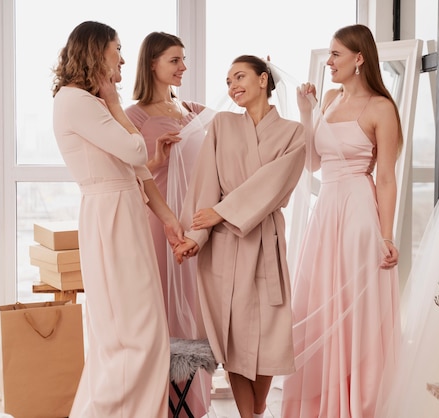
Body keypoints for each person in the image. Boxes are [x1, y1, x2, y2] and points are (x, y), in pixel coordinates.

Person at [52, 21, 183, 417]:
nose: (123, 58)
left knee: (142, 331)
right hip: (110, 217)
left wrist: (168, 218)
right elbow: (135, 152)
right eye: (117, 49)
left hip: (124, 213)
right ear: (95, 52)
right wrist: (112, 103)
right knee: (130, 335)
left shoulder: (89, 102)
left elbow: (138, 173)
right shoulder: (76, 101)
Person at [173, 55, 306, 418]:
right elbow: (205, 185)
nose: (232, 86)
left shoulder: (294, 133)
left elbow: (275, 185)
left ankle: (258, 408)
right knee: (231, 336)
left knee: (267, 338)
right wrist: (196, 237)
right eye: (228, 81)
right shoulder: (221, 125)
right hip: (223, 246)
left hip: (264, 242)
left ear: (264, 80)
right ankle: (250, 416)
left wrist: (223, 210)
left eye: (240, 77)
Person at [280, 24, 402, 418]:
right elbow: (314, 163)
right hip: (326, 211)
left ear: (359, 58)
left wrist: (386, 236)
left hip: (358, 213)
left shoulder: (382, 108)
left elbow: (385, 177)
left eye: (335, 55)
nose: (328, 62)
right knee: (317, 304)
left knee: (355, 309)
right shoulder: (329, 98)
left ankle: (359, 405)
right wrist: (305, 112)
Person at [125, 32, 216, 417]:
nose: (183, 67)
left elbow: (233, 126)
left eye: (184, 59)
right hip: (154, 221)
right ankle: (154, 400)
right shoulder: (134, 116)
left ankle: (190, 399)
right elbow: (128, 176)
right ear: (153, 64)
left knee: (192, 308)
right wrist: (159, 161)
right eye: (174, 60)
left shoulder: (192, 109)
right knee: (156, 305)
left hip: (192, 223)